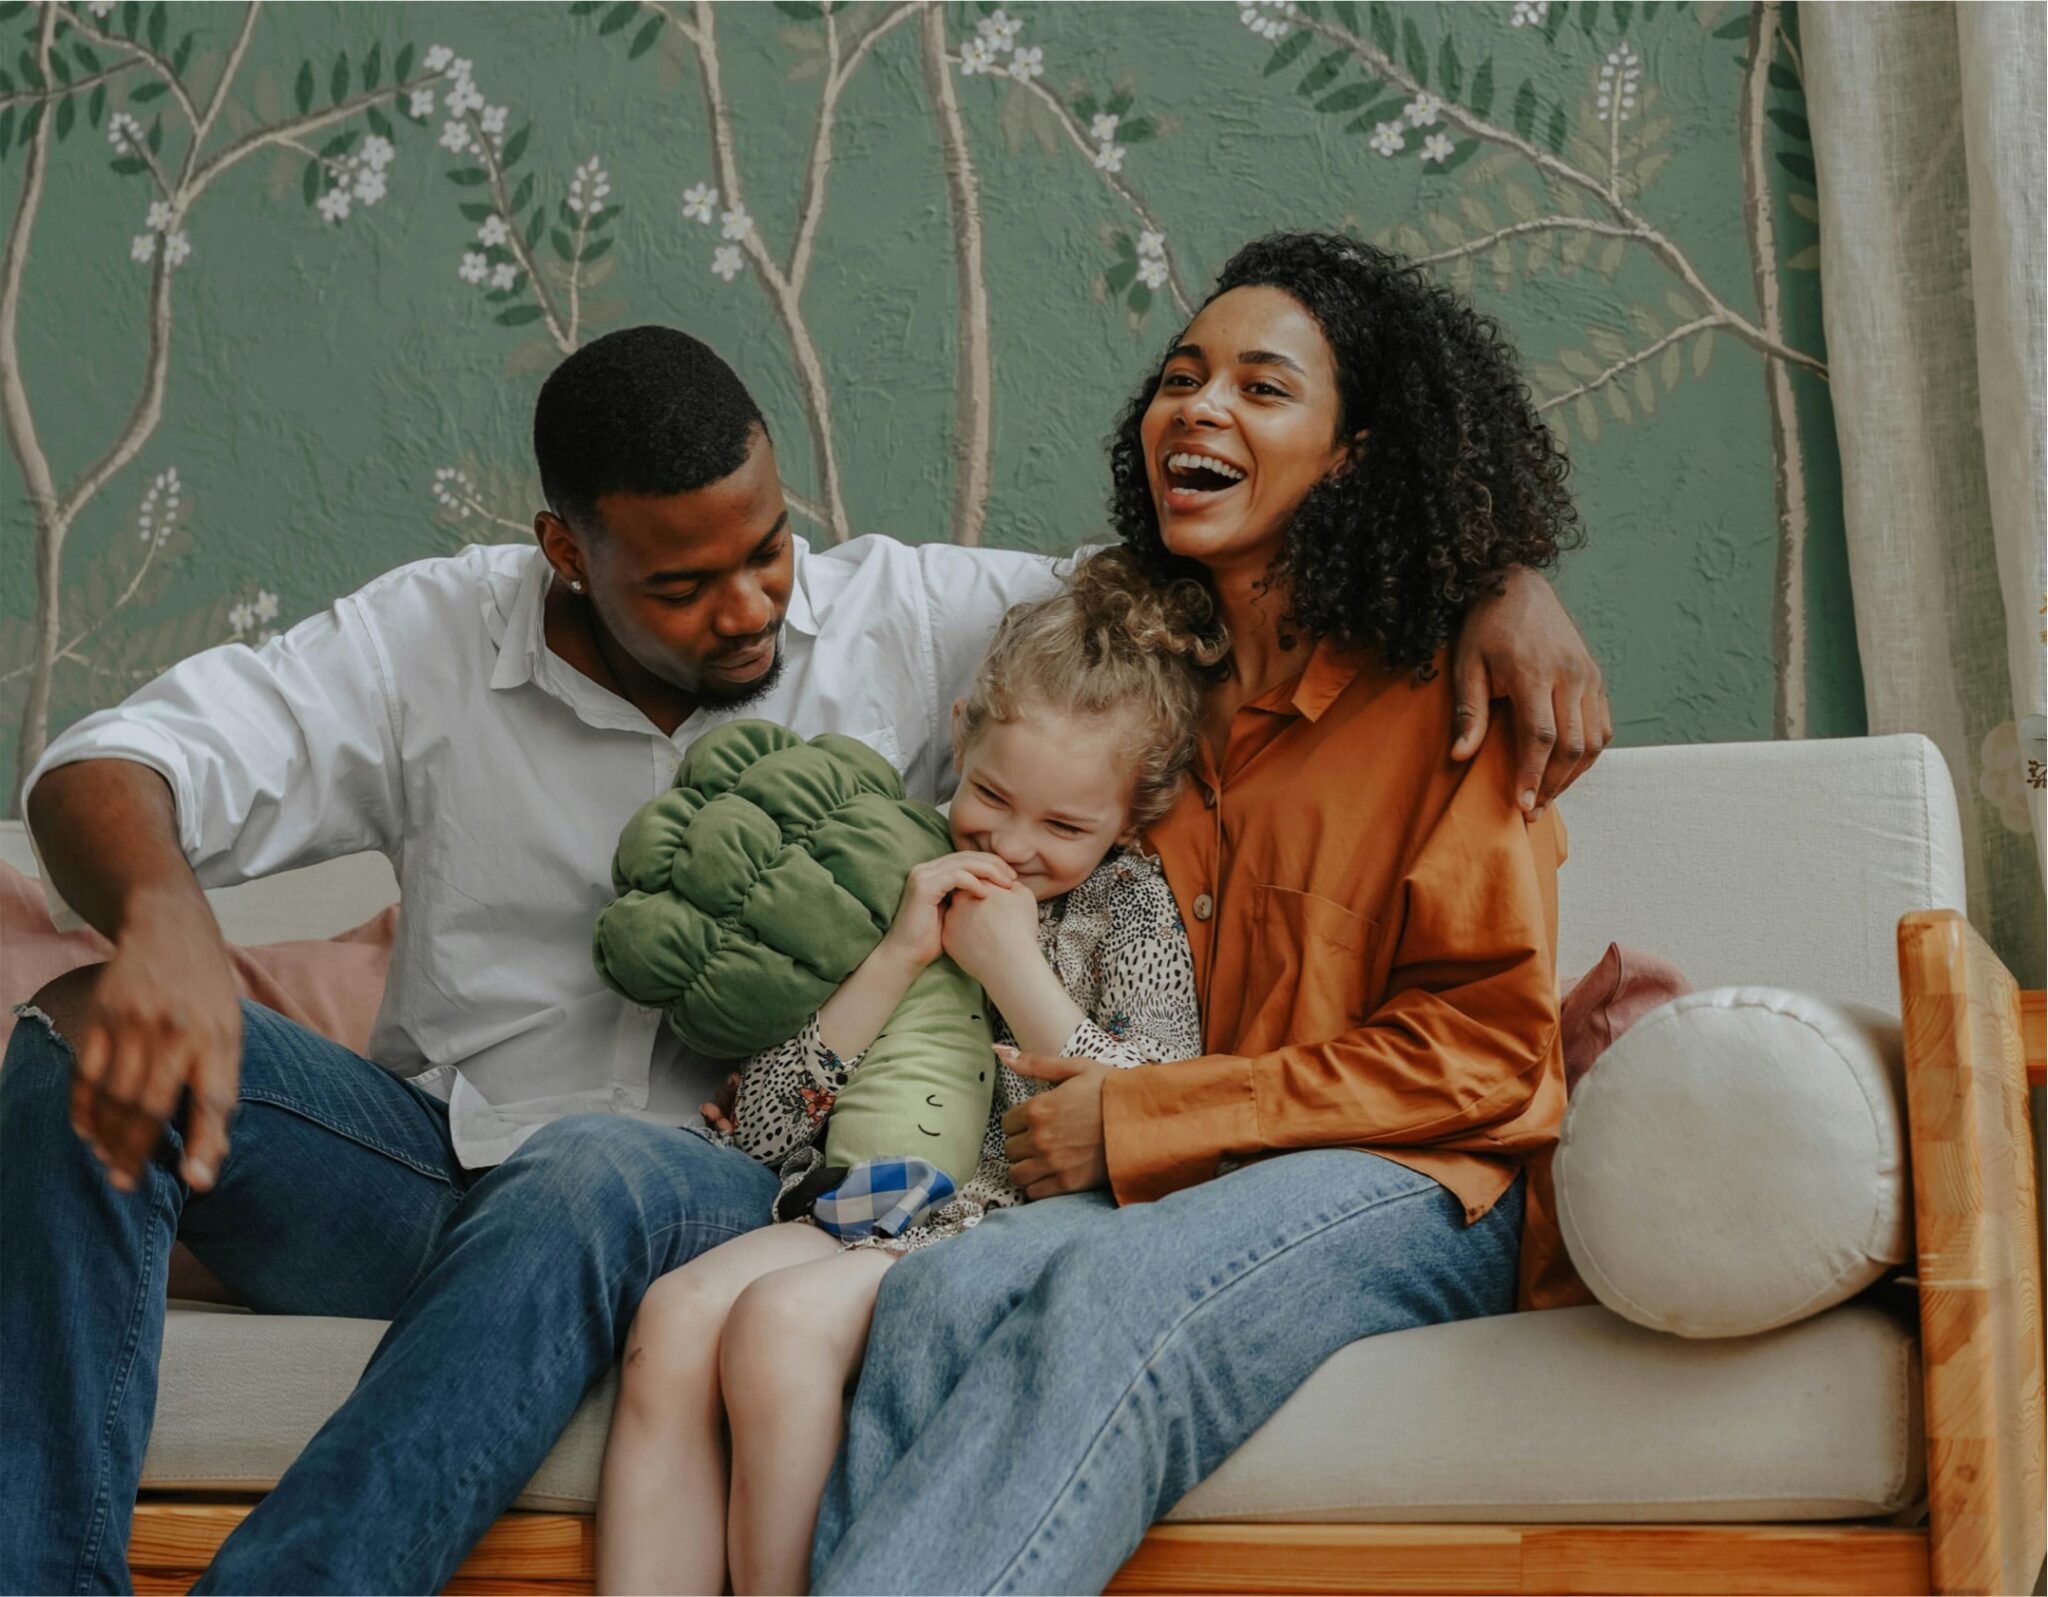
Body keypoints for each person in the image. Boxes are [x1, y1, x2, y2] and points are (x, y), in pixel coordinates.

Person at [0, 318, 1605, 1593]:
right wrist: (166, 926)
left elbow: (1211, 586)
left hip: (718, 1171)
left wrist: (1498, 579)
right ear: (564, 550)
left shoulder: (911, 616)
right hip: (431, 1173)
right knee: (72, 1028)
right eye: (684, 584)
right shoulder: (425, 642)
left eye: (769, 547)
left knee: (586, 1169)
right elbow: (108, 764)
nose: (752, 606)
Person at [807, 232, 1591, 1595]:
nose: (1200, 407)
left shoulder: (1450, 695)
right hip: (1177, 1180)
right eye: (1181, 378)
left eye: (1261, 387)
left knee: (1116, 1294)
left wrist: (1506, 583)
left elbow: (1488, 1057)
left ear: (1352, 455)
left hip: (1412, 1184)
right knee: (933, 1298)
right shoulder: (1142, 691)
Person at [596, 549, 1217, 1594]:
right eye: (992, 795)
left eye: (1065, 826)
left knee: (777, 1327)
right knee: (673, 1318)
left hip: (1010, 1224)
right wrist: (894, 954)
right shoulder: (892, 868)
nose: (1011, 843)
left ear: (1132, 815)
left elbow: (1160, 1115)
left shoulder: (1127, 903)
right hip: (858, 1200)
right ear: (962, 735)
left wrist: (1014, 968)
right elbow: (761, 1134)